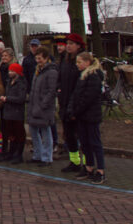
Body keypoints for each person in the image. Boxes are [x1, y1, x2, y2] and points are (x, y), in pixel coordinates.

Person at [68, 52, 106, 184]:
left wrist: (76, 110)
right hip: (82, 116)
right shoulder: (82, 76)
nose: (77, 65)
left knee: (95, 143)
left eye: (79, 62)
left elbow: (88, 98)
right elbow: (76, 94)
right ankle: (89, 167)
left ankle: (100, 170)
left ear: (87, 63)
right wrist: (73, 110)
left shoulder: (93, 76)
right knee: (84, 143)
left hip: (91, 116)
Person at [58, 33, 85, 173]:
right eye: (67, 43)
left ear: (78, 46)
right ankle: (74, 162)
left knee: (82, 135)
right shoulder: (64, 60)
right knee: (69, 135)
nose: (68, 46)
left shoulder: (81, 62)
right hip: (64, 102)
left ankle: (87, 163)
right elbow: (60, 78)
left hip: (77, 105)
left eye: (71, 43)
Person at [28, 47, 57, 166]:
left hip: (43, 108)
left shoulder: (51, 72)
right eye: (36, 58)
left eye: (40, 58)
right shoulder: (37, 71)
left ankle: (47, 157)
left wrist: (43, 104)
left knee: (46, 132)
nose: (37, 60)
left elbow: (51, 91)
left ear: (46, 58)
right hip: (34, 105)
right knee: (33, 131)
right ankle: (37, 154)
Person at [1, 63, 27, 164]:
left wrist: (7, 99)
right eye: (10, 71)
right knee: (11, 134)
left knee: (19, 134)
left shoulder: (21, 83)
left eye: (12, 71)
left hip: (17, 113)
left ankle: (18, 154)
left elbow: (21, 98)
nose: (10, 73)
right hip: (8, 112)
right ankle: (11, 152)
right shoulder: (9, 82)